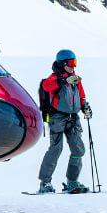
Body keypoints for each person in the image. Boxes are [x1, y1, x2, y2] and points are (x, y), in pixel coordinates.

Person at [37, 49, 93, 194]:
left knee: (78, 150)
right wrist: (63, 81)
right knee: (56, 149)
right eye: (71, 63)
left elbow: (81, 96)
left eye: (75, 63)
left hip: (73, 118)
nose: (73, 66)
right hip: (57, 118)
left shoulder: (76, 79)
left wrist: (85, 107)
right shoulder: (54, 78)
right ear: (63, 64)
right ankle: (45, 183)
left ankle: (72, 182)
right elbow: (46, 86)